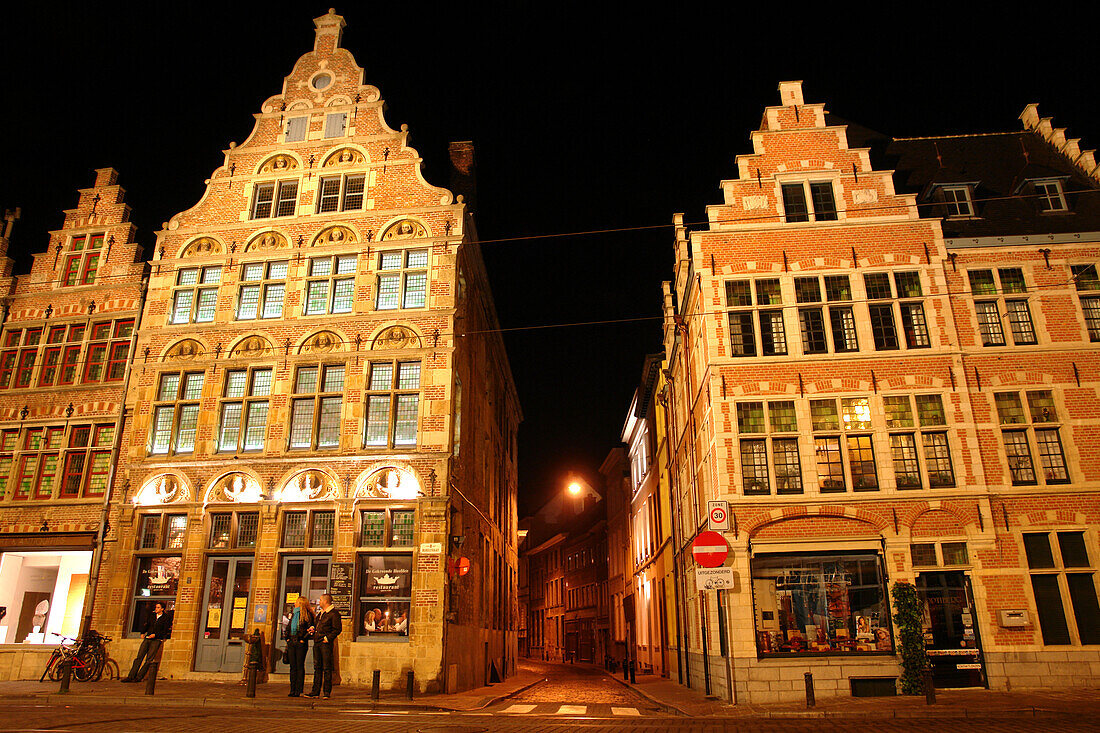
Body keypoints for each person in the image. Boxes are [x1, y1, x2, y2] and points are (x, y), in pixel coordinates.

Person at [122, 602, 172, 682]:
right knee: (139, 657)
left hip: (156, 640)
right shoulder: (152, 616)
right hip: (148, 638)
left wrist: (155, 635)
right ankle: (131, 676)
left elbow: (165, 630)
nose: (156, 609)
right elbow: (147, 624)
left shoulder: (165, 618)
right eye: (156, 607)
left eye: (158, 607)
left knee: (149, 659)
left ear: (162, 609)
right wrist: (142, 632)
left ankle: (139, 677)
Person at [304, 593, 341, 699]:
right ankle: (315, 691)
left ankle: (326, 692)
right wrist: (313, 628)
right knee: (317, 667)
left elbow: (337, 629)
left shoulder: (333, 614)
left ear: (325, 601)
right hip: (317, 642)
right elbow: (317, 625)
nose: (319, 602)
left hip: (325, 644)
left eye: (320, 600)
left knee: (327, 668)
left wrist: (327, 638)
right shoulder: (321, 613)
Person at [284, 596, 314, 697]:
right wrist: (287, 638)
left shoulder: (307, 615)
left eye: (296, 602)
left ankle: (299, 689)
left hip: (301, 643)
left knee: (299, 666)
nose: (295, 604)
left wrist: (303, 639)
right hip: (292, 641)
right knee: (293, 667)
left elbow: (310, 629)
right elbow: (288, 626)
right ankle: (292, 689)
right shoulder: (293, 614)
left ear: (301, 603)